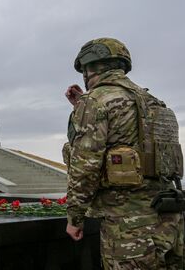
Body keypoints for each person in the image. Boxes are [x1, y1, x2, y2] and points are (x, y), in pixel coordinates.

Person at [63, 37, 184, 269]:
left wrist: (75, 218)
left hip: (129, 227)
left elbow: (85, 166)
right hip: (170, 220)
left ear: (88, 68)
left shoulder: (95, 101)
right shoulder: (154, 102)